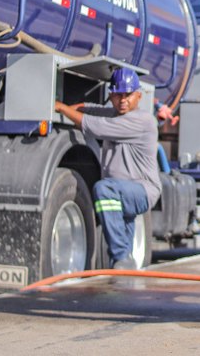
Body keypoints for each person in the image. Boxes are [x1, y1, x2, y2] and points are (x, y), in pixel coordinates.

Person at [55, 67, 161, 270]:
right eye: (117, 95)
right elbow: (91, 109)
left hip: (141, 190)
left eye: (128, 95)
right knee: (124, 244)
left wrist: (60, 107)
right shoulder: (115, 114)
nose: (123, 100)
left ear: (138, 96)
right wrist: (75, 107)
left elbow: (94, 125)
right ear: (110, 95)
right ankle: (124, 269)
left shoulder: (143, 121)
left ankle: (120, 256)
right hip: (124, 189)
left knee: (104, 190)